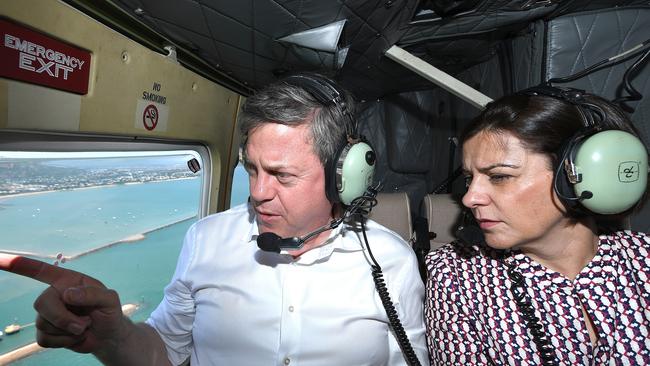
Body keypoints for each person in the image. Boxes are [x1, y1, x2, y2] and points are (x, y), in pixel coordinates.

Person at [0, 73, 427, 365]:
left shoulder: (391, 260)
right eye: (252, 169)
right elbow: (163, 351)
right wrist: (115, 337)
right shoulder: (206, 239)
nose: (258, 193)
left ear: (344, 178)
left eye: (282, 175)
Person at [424, 87, 650, 365]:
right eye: (470, 178)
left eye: (499, 176)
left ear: (580, 175)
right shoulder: (457, 276)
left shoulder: (644, 260)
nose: (470, 198)